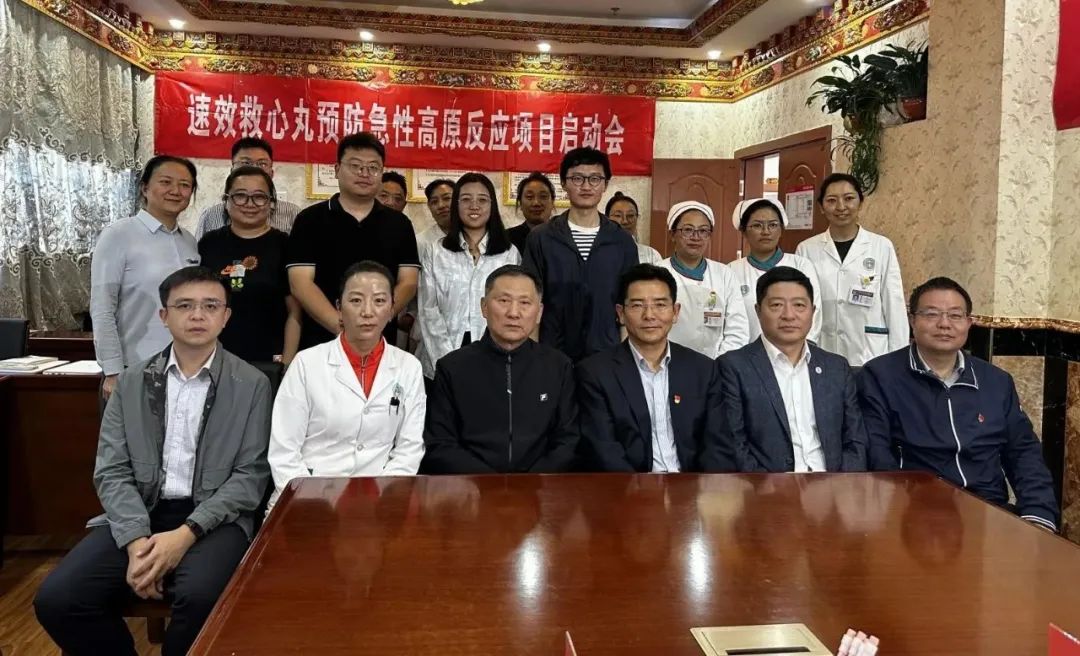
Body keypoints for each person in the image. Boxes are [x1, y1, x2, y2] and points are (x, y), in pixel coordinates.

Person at [35, 266, 272, 656]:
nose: (198, 315)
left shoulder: (252, 384)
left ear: (226, 316)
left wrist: (183, 536)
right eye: (185, 306)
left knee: (202, 598)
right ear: (164, 316)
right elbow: (111, 470)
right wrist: (136, 543)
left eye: (210, 306)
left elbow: (250, 477)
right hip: (139, 513)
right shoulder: (131, 382)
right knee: (59, 599)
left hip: (215, 521)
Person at [858, 276, 1058, 531]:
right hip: (915, 516)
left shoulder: (996, 381)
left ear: (969, 323)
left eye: (955, 315)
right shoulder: (880, 376)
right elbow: (877, 455)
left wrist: (1038, 514)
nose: (944, 324)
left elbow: (1023, 452)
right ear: (912, 320)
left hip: (987, 511)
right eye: (931, 314)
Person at [269, 261, 425, 510]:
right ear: (339, 308)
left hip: (380, 497)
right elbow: (284, 450)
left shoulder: (409, 367)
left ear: (391, 309)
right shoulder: (306, 363)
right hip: (309, 496)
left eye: (379, 301)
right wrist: (311, 500)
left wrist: (383, 497)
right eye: (356, 300)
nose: (367, 311)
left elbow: (409, 448)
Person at [422, 265, 579, 473]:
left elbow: (568, 441)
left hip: (540, 486)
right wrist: (490, 483)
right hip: (472, 486)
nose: (513, 313)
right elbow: (440, 443)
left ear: (539, 312)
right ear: (484, 307)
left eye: (525, 303)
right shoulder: (452, 367)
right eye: (504, 301)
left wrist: (532, 483)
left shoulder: (558, 366)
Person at [577, 264, 730, 473]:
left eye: (660, 305)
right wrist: (640, 490)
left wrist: (702, 489)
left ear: (675, 312)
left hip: (692, 486)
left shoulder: (703, 370)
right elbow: (603, 451)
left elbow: (717, 446)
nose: (649, 315)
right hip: (628, 487)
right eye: (637, 305)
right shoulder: (595, 373)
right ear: (621, 313)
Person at [716, 266, 867, 473]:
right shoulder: (733, 367)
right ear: (758, 311)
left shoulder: (836, 368)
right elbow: (735, 445)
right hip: (767, 487)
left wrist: (842, 484)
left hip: (832, 484)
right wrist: (770, 488)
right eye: (776, 305)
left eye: (799, 305)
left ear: (813, 312)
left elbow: (855, 441)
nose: (789, 315)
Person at [286, 132, 420, 349]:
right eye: (355, 166)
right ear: (337, 169)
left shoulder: (400, 224)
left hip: (380, 341)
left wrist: (376, 320)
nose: (364, 173)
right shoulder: (309, 220)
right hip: (321, 341)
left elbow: (408, 282)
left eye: (373, 167)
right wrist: (342, 327)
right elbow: (300, 283)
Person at [91, 155, 202, 399]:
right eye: (165, 182)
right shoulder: (118, 235)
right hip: (134, 367)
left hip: (185, 368)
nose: (176, 191)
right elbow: (102, 308)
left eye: (185, 185)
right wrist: (112, 371)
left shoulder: (189, 241)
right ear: (144, 188)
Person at [523, 147, 638, 362]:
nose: (586, 186)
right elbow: (531, 300)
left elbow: (629, 302)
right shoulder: (541, 238)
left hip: (606, 354)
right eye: (577, 178)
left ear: (605, 184)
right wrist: (533, 357)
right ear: (564, 183)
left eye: (594, 179)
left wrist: (625, 360)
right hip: (552, 354)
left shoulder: (622, 241)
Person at [198, 165, 301, 387]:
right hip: (215, 358)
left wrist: (287, 364)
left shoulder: (286, 245)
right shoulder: (209, 244)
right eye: (240, 196)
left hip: (269, 361)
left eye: (259, 197)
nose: (249, 204)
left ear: (271, 203)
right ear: (226, 200)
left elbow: (295, 311)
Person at [795, 173, 907, 366]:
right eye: (831, 200)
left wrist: (899, 358)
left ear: (860, 203)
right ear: (821, 207)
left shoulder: (881, 246)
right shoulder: (806, 249)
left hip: (870, 352)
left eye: (849, 198)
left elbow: (894, 303)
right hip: (822, 348)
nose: (841, 207)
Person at [418, 173, 520, 381]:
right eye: (466, 199)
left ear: (492, 206)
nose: (474, 206)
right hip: (440, 359)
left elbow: (511, 308)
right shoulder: (436, 252)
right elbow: (428, 310)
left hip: (493, 360)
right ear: (456, 205)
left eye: (482, 200)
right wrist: (448, 363)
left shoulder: (509, 253)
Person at [659, 201, 748, 358]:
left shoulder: (725, 274)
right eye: (688, 230)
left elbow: (737, 330)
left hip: (716, 364)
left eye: (703, 231)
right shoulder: (657, 273)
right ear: (673, 234)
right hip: (667, 362)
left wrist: (719, 363)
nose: (696, 237)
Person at [728, 197, 822, 343]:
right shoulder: (731, 271)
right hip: (744, 353)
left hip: (795, 350)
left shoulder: (800, 264)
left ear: (781, 230)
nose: (766, 231)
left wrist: (802, 348)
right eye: (757, 225)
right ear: (744, 232)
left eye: (772, 225)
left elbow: (813, 311)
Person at [194, 137, 300, 238]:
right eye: (245, 163)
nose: (254, 169)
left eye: (262, 164)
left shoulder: (293, 214)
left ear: (272, 173)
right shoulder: (211, 216)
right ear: (232, 171)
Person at [606, 191, 662, 264]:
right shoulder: (597, 252)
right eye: (618, 215)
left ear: (637, 218)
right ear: (606, 219)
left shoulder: (651, 255)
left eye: (630, 215)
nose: (625, 221)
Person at [507, 172, 555, 253]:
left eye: (543, 196)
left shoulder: (564, 237)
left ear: (552, 202)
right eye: (529, 197)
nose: (536, 203)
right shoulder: (506, 239)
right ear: (520, 203)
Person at [417, 178, 455, 255]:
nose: (441, 205)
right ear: (429, 206)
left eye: (447, 198)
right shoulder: (420, 242)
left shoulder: (474, 237)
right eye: (434, 202)